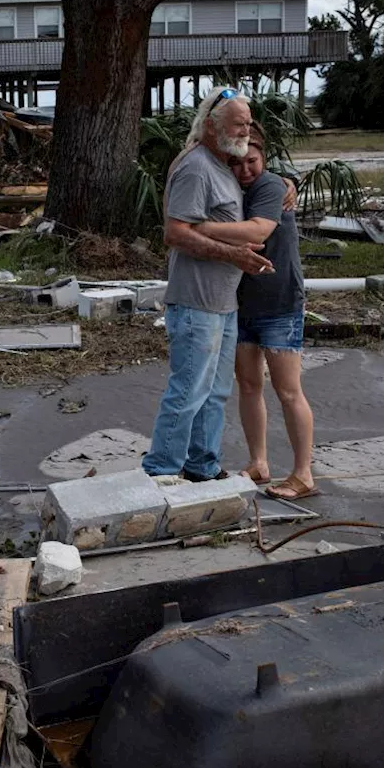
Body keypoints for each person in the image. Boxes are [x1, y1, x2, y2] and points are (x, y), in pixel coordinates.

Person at [141, 88, 274, 482]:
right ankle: (161, 471)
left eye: (248, 122)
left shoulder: (224, 164)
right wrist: (233, 255)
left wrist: (287, 186)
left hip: (222, 303)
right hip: (196, 302)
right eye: (239, 122)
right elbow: (175, 233)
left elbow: (262, 175)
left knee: (214, 394)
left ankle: (202, 465)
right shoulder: (197, 167)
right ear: (213, 127)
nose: (246, 128)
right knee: (188, 392)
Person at [193, 124, 317, 499]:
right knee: (248, 385)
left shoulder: (271, 186)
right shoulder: (231, 186)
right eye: (238, 163)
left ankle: (303, 473)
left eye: (253, 161)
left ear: (264, 159)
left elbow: (257, 233)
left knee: (288, 390)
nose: (245, 170)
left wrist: (200, 228)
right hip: (240, 303)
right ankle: (258, 462)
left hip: (279, 303)